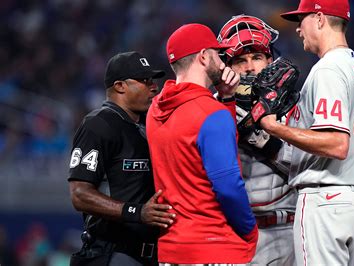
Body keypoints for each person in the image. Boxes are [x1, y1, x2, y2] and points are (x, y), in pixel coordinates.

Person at [253, 0, 354, 265]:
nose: (298, 29)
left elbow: (337, 144)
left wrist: (275, 127)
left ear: (319, 18)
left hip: (326, 199)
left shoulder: (328, 69)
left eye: (301, 20)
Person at [146, 23, 258, 265]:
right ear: (204, 57)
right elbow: (228, 186)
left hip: (172, 248)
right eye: (218, 55)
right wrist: (249, 229)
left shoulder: (154, 110)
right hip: (214, 245)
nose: (223, 62)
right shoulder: (210, 114)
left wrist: (226, 99)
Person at [68, 51, 176, 266]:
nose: (154, 86)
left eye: (153, 80)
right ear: (120, 86)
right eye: (144, 81)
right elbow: (79, 194)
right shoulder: (98, 124)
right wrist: (137, 212)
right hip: (111, 252)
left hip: (154, 254)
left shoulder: (149, 124)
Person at [218, 15, 296, 266]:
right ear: (225, 66)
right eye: (240, 60)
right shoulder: (211, 108)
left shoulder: (297, 103)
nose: (250, 67)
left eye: (257, 57)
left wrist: (259, 136)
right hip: (237, 233)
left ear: (270, 60)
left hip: (290, 230)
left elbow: (312, 168)